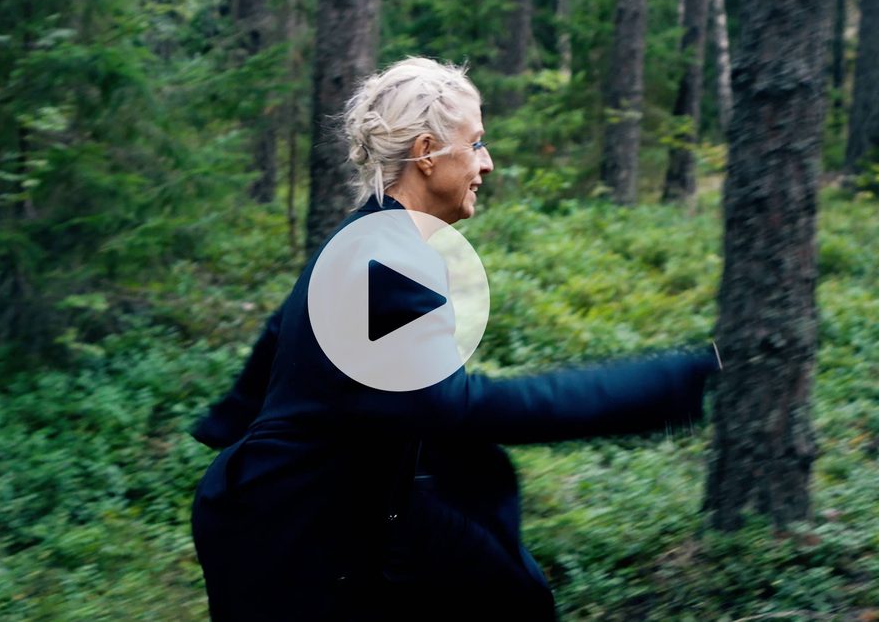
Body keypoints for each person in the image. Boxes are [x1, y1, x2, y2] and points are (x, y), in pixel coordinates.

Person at [190, 57, 721, 621]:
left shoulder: (363, 234)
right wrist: (659, 386)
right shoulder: (394, 261)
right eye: (476, 144)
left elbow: (280, 331)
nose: (487, 164)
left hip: (301, 513)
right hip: (290, 539)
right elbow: (454, 407)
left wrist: (229, 420)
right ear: (426, 152)